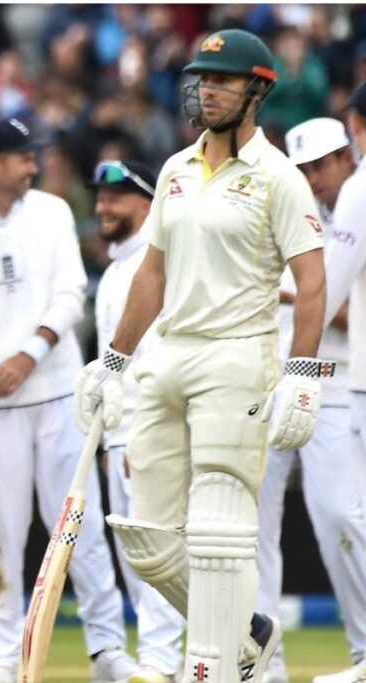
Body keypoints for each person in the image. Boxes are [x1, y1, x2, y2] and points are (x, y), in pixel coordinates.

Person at [74, 29, 328, 683]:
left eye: (223, 80)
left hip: (237, 356)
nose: (207, 90)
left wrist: (302, 373)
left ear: (257, 90)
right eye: (203, 79)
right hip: (169, 354)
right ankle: (245, 634)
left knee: (218, 532)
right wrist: (113, 361)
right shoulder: (175, 169)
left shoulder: (279, 177)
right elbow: (151, 274)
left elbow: (312, 280)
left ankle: (209, 665)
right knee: (146, 537)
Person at [0, 117, 136, 683]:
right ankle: (5, 658)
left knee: (80, 529)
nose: (34, 166)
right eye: (24, 157)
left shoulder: (51, 211)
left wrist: (29, 354)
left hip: (58, 394)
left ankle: (107, 651)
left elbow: (72, 292)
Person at [255, 117, 366, 683]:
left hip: (335, 382)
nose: (313, 178)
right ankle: (260, 663)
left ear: (348, 156)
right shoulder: (282, 216)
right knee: (253, 528)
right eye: (302, 170)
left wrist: (291, 293)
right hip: (271, 383)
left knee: (341, 517)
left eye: (321, 165)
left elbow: (343, 311)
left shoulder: (358, 209)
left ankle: (364, 653)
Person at [90, 159, 185, 682]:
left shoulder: (157, 265)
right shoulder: (114, 270)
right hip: (120, 436)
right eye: (100, 198)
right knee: (136, 557)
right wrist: (111, 439)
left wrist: (143, 433)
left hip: (152, 430)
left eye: (116, 198)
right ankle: (159, 658)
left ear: (148, 205)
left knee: (158, 548)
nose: (102, 207)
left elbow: (161, 356)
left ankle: (160, 661)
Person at [308, 81, 366, 683]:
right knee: (340, 519)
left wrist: (298, 362)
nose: (314, 178)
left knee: (347, 515)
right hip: (342, 381)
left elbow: (327, 294)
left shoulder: (359, 189)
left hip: (349, 380)